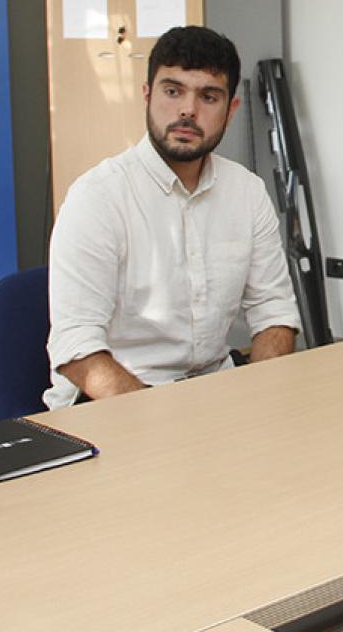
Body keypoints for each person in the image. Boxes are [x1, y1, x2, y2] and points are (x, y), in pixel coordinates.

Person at [45, 25, 300, 407]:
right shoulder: (97, 197)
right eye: (172, 91)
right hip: (113, 403)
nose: (187, 110)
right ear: (147, 95)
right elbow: (77, 347)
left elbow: (274, 313)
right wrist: (163, 421)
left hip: (215, 390)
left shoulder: (246, 192)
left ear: (231, 109)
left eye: (208, 97)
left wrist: (258, 398)